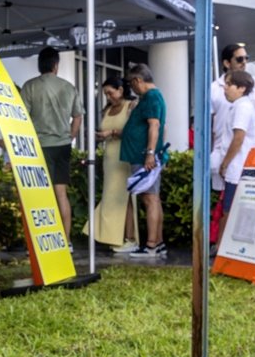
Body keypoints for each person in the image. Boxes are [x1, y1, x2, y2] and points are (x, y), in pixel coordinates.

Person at [19, 47, 85, 245]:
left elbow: (22, 118)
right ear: (56, 65)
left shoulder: (29, 86)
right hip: (62, 145)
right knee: (61, 194)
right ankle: (66, 241)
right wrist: (69, 136)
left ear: (40, 65)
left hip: (39, 147)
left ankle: (43, 243)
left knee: (39, 196)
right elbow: (77, 117)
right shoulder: (68, 87)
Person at [86, 76, 139, 252]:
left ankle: (130, 238)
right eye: (105, 94)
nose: (108, 97)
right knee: (110, 196)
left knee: (125, 197)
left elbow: (134, 131)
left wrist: (112, 132)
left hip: (124, 156)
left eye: (110, 93)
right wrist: (99, 135)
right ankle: (112, 236)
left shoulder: (131, 106)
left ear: (121, 90)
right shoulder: (106, 109)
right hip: (109, 157)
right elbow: (104, 131)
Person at [119, 63, 166, 258]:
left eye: (131, 84)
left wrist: (149, 153)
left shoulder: (151, 97)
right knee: (153, 199)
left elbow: (154, 126)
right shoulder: (151, 97)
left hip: (144, 157)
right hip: (144, 155)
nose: (132, 88)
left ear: (138, 80)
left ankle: (151, 245)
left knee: (150, 199)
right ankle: (159, 243)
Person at [214, 70, 255, 241]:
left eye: (229, 84)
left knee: (230, 210)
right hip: (240, 167)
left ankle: (223, 249)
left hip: (238, 168)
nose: (225, 88)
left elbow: (238, 138)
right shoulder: (240, 106)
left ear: (241, 88)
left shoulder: (242, 107)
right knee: (231, 209)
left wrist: (225, 163)